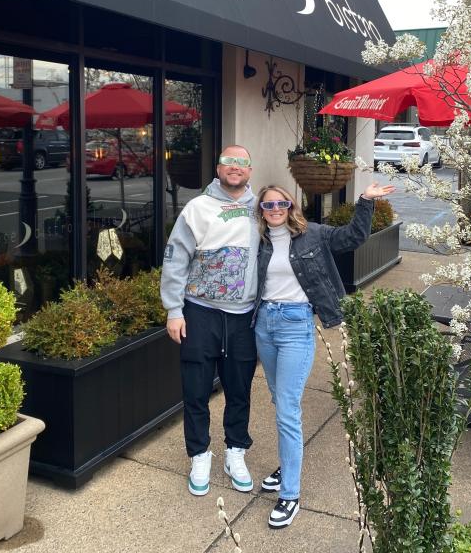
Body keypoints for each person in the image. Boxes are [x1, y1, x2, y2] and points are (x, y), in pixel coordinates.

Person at [254, 181, 394, 528]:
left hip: (295, 325)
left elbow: (353, 238)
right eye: (267, 206)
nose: (274, 210)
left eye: (280, 204)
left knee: (287, 408)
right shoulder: (258, 241)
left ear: (291, 205)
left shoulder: (313, 234)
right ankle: (288, 464)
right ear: (260, 211)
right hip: (264, 325)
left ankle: (290, 494)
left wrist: (364, 202)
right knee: (278, 401)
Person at [160, 145, 260, 497]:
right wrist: (173, 310)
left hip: (244, 317)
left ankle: (236, 451)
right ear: (218, 168)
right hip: (199, 312)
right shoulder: (197, 208)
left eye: (241, 163)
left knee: (239, 390)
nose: (235, 168)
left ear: (249, 171)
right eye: (228, 162)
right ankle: (199, 454)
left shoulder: (263, 209)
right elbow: (175, 261)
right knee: (196, 389)